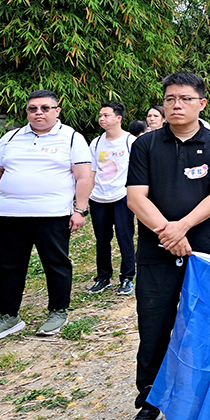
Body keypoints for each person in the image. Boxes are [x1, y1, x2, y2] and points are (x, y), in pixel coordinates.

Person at [118, 72, 210, 420]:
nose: (176, 105)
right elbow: (136, 198)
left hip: (204, 252)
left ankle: (207, 399)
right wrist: (168, 235)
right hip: (155, 253)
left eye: (184, 98)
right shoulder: (146, 145)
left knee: (203, 328)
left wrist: (181, 228)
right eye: (169, 99)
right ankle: (150, 403)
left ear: (201, 103)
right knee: (154, 329)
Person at [0, 90, 92, 341]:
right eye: (33, 108)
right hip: (9, 214)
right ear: (27, 112)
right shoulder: (11, 137)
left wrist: (79, 209)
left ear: (57, 111)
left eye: (45, 108)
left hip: (51, 214)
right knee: (8, 267)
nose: (38, 113)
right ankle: (9, 316)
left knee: (56, 265)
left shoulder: (71, 138)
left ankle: (58, 312)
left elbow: (84, 176)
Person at [88, 101, 136, 296]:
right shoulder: (96, 142)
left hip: (122, 196)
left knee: (125, 237)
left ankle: (127, 278)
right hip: (98, 197)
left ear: (119, 118)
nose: (101, 119)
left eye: (106, 115)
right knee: (102, 239)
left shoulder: (130, 141)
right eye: (100, 115)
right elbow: (90, 171)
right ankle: (103, 277)